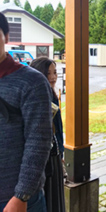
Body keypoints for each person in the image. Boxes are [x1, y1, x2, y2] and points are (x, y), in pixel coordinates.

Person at [0, 13, 53, 212]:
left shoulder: (32, 82)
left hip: (17, 201)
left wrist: (21, 195)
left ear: (5, 36)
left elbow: (38, 141)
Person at [31, 57, 65, 212]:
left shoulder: (52, 95)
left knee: (55, 195)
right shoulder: (34, 97)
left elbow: (58, 128)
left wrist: (62, 153)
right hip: (41, 157)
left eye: (55, 73)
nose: (53, 77)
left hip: (54, 153)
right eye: (48, 73)